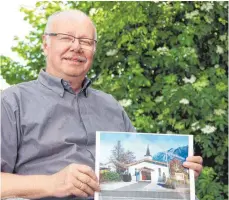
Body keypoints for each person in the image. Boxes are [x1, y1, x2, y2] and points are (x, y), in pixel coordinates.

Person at [1, 10, 203, 200]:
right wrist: (51, 183)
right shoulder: (12, 102)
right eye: (66, 38)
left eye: (86, 41)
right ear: (46, 44)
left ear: (94, 49)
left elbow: (136, 176)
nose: (76, 47)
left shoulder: (111, 106)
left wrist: (179, 174)